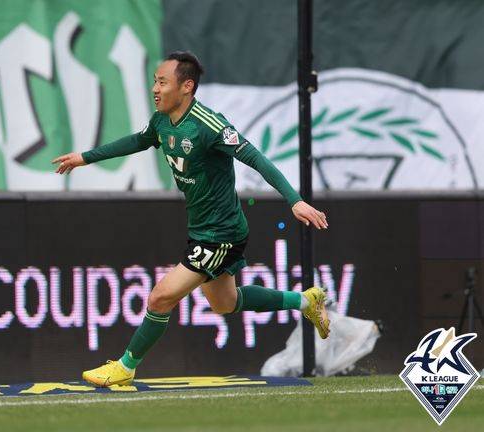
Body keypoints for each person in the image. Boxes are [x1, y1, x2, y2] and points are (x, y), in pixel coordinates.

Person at [53, 51, 330, 387]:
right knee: (225, 303)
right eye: (154, 81)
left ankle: (125, 367)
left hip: (222, 233)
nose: (155, 89)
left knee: (160, 297)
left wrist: (295, 201)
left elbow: (256, 158)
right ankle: (306, 300)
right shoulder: (161, 121)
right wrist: (85, 157)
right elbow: (138, 141)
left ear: (186, 86)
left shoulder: (210, 126)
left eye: (162, 82)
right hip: (202, 229)